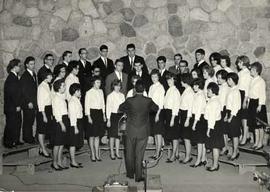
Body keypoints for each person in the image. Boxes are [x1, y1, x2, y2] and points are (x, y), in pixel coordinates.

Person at [119, 80, 158, 182]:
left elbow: (120, 107)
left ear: (135, 89)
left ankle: (130, 174)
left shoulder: (129, 100)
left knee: (129, 153)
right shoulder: (148, 100)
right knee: (139, 153)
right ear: (144, 89)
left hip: (130, 130)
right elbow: (156, 108)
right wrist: (147, 110)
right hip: (143, 131)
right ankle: (138, 176)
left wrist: (128, 111)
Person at [85, 76, 106, 162]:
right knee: (92, 135)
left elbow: (103, 104)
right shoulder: (89, 92)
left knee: (97, 135)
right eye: (97, 82)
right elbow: (87, 106)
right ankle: (92, 154)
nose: (99, 84)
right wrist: (89, 117)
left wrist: (104, 115)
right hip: (92, 113)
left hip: (99, 113)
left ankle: (97, 154)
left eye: (100, 82)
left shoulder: (101, 91)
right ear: (93, 83)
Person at [247, 62, 268, 150]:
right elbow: (250, 93)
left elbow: (262, 94)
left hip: (258, 104)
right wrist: (248, 102)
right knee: (254, 125)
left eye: (251, 69)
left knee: (259, 125)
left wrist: (260, 105)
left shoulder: (261, 81)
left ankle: (260, 143)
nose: (250, 71)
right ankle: (256, 142)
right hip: (252, 103)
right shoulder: (252, 80)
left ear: (256, 71)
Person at [3, 59, 23, 148]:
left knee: (17, 123)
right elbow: (12, 93)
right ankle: (8, 143)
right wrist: (17, 105)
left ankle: (15, 140)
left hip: (14, 106)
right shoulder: (11, 78)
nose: (20, 68)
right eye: (19, 66)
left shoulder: (14, 76)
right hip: (12, 107)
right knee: (11, 124)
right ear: (14, 67)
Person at [205, 82, 224, 171]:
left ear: (213, 91)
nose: (207, 92)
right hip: (216, 124)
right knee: (214, 146)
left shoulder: (213, 102)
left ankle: (215, 165)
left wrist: (209, 129)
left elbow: (212, 117)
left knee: (215, 146)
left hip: (214, 125)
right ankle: (215, 164)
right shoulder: (214, 100)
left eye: (208, 90)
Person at [189, 78, 207, 167]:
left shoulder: (200, 96)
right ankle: (203, 158)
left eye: (196, 85)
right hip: (200, 118)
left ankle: (198, 160)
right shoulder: (198, 94)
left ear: (199, 86)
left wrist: (195, 123)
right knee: (202, 141)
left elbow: (199, 111)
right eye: (193, 85)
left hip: (199, 119)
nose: (194, 87)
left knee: (199, 142)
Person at [51, 79, 69, 170]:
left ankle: (59, 161)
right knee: (57, 143)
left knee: (62, 143)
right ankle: (54, 163)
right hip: (59, 121)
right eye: (63, 86)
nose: (65, 87)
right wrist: (62, 124)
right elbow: (56, 113)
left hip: (64, 119)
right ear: (58, 88)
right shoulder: (56, 98)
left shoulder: (62, 97)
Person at [148, 69, 165, 160]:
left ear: (158, 77)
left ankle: (158, 153)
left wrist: (158, 114)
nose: (154, 78)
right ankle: (156, 152)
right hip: (152, 112)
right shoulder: (151, 87)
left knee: (158, 133)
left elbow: (161, 102)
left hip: (158, 112)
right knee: (155, 132)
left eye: (155, 77)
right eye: (152, 77)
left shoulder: (160, 87)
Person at [163, 73, 181, 163]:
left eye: (171, 79)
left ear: (174, 80)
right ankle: (176, 153)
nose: (169, 81)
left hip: (173, 114)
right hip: (168, 113)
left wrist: (173, 119)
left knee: (174, 136)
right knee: (172, 135)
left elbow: (176, 106)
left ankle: (173, 155)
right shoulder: (169, 90)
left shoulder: (175, 91)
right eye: (167, 80)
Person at [106, 79, 125, 160]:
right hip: (113, 116)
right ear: (113, 86)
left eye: (119, 85)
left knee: (118, 136)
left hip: (120, 116)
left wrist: (124, 114)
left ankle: (117, 153)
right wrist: (108, 119)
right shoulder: (110, 96)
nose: (118, 87)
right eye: (116, 85)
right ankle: (112, 153)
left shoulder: (122, 95)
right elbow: (108, 108)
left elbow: (124, 106)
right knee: (112, 136)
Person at [20, 56, 37, 144]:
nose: (33, 65)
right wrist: (28, 102)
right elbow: (24, 91)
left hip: (33, 101)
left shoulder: (33, 74)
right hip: (28, 103)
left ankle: (29, 136)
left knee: (31, 120)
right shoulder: (25, 76)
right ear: (26, 65)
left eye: (33, 64)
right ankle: (27, 138)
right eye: (31, 64)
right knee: (28, 120)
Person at [236, 56, 252, 146]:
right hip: (239, 94)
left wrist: (245, 100)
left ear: (244, 63)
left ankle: (245, 137)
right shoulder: (240, 73)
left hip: (244, 96)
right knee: (241, 117)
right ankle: (245, 135)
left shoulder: (247, 74)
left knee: (244, 118)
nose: (238, 64)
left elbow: (247, 88)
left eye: (239, 62)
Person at [225, 73, 241, 160]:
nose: (228, 81)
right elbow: (228, 104)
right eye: (227, 80)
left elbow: (236, 106)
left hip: (234, 114)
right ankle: (235, 149)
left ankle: (235, 151)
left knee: (235, 134)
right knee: (231, 133)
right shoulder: (230, 90)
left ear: (234, 80)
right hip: (229, 113)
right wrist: (227, 115)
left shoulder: (236, 91)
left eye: (229, 80)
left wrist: (231, 116)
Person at [37, 71, 53, 158]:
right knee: (41, 130)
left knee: (44, 130)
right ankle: (43, 149)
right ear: (45, 77)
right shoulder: (41, 87)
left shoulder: (47, 85)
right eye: (50, 76)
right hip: (43, 110)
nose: (51, 77)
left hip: (48, 109)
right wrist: (44, 115)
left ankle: (41, 148)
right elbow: (40, 102)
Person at [179, 73, 194, 164]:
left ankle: (188, 156)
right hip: (183, 114)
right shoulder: (186, 90)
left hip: (187, 115)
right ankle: (188, 155)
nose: (180, 82)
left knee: (186, 137)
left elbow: (190, 107)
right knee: (185, 136)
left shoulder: (189, 92)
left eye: (181, 80)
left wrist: (187, 119)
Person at [68, 83, 84, 168]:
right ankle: (72, 162)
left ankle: (74, 160)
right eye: (78, 91)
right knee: (73, 143)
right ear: (74, 91)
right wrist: (75, 127)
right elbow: (72, 115)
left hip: (79, 121)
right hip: (74, 123)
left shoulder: (76, 99)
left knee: (76, 142)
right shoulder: (72, 101)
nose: (80, 92)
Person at [216, 70, 230, 156]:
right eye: (217, 78)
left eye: (219, 78)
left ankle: (225, 147)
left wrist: (225, 113)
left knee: (223, 130)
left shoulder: (225, 88)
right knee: (222, 130)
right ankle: (225, 147)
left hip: (223, 109)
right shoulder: (222, 87)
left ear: (224, 79)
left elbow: (224, 101)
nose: (218, 80)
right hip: (221, 109)